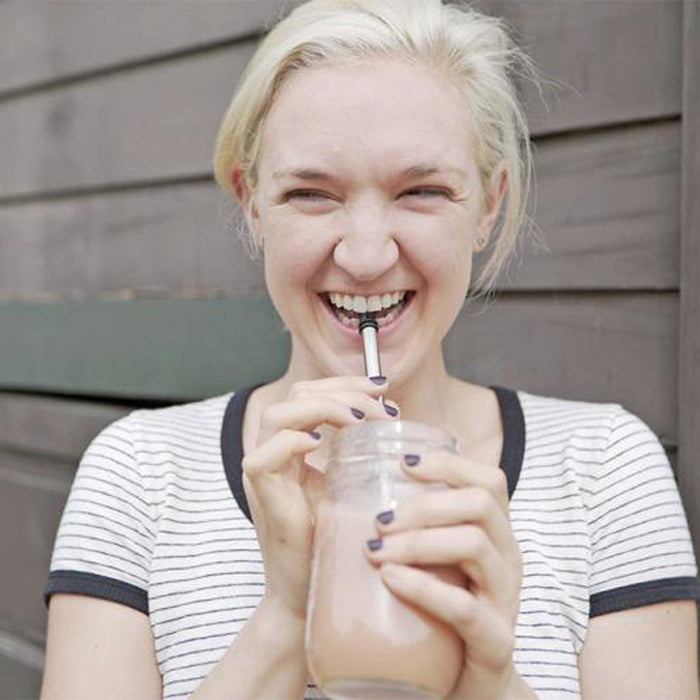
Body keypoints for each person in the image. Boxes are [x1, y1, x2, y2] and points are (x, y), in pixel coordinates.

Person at [40, 1, 699, 698]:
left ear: (488, 205)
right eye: (311, 194)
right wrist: (285, 616)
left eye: (422, 191)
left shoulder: (603, 471)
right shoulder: (140, 475)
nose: (364, 255)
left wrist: (490, 678)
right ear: (252, 204)